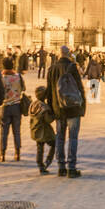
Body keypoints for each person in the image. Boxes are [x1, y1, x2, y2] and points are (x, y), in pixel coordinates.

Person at [46, 44, 86, 176]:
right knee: (73, 137)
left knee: (60, 137)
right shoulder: (72, 67)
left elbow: (49, 92)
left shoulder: (52, 69)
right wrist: (83, 106)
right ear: (69, 54)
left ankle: (61, 167)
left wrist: (51, 109)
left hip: (58, 109)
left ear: (58, 54)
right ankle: (72, 168)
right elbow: (80, 88)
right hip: (73, 108)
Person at [0, 56, 25, 161]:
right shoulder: (18, 76)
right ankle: (17, 153)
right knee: (17, 131)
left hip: (4, 107)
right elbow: (23, 88)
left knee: (4, 132)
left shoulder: (1, 77)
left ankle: (2, 154)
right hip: (17, 106)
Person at [29, 85, 56, 174]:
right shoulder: (44, 107)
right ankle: (47, 161)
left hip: (35, 130)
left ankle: (40, 164)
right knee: (54, 143)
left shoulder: (33, 104)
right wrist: (54, 114)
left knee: (39, 147)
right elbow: (49, 120)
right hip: (44, 131)